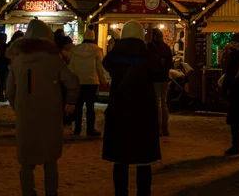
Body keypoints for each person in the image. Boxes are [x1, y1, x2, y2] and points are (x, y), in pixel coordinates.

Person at [6, 19, 80, 196]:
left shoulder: (17, 60)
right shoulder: (54, 60)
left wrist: (19, 108)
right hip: (50, 115)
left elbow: (10, 91)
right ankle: (51, 193)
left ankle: (29, 193)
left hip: (26, 116)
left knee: (26, 162)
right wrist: (70, 101)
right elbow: (72, 83)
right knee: (50, 160)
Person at [102, 20, 162, 196]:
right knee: (144, 161)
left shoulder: (115, 53)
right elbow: (159, 70)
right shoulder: (146, 52)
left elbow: (107, 64)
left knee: (120, 160)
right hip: (143, 112)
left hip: (119, 111)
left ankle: (121, 193)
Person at [68, 29, 108, 137]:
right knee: (90, 106)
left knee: (78, 105)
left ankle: (77, 128)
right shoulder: (97, 50)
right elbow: (100, 68)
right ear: (93, 38)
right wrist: (104, 81)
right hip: (92, 81)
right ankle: (90, 129)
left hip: (78, 81)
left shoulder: (75, 50)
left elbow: (71, 67)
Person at [221, 33, 239, 156]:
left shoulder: (234, 56)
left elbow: (229, 74)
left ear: (237, 43)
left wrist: (224, 90)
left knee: (235, 122)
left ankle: (236, 146)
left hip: (236, 91)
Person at [148, 27, 173, 137]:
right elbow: (169, 64)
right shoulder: (167, 48)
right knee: (163, 103)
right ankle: (165, 127)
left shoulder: (151, 48)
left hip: (155, 78)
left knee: (156, 103)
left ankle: (158, 128)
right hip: (165, 78)